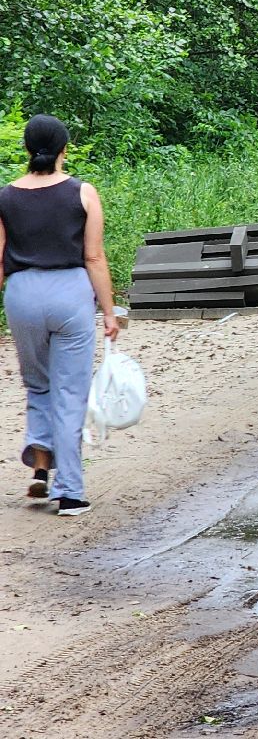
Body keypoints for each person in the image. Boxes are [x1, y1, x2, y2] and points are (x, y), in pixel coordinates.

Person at [0, 115, 119, 516]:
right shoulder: (83, 193)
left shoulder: (5, 196)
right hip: (69, 294)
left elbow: (0, 260)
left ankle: (40, 463)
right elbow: (94, 257)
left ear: (27, 149)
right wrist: (108, 311)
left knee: (38, 384)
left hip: (22, 295)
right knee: (70, 393)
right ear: (64, 149)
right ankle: (69, 492)